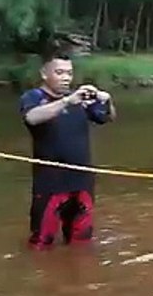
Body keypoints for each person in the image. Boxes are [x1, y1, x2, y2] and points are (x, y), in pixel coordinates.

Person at [20, 52, 116, 249]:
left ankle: (77, 277)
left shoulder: (80, 100)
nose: (66, 78)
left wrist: (106, 100)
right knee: (41, 243)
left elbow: (108, 117)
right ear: (45, 74)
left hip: (82, 181)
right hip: (50, 183)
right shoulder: (33, 97)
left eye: (69, 73)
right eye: (59, 72)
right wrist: (67, 101)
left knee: (81, 243)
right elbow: (32, 117)